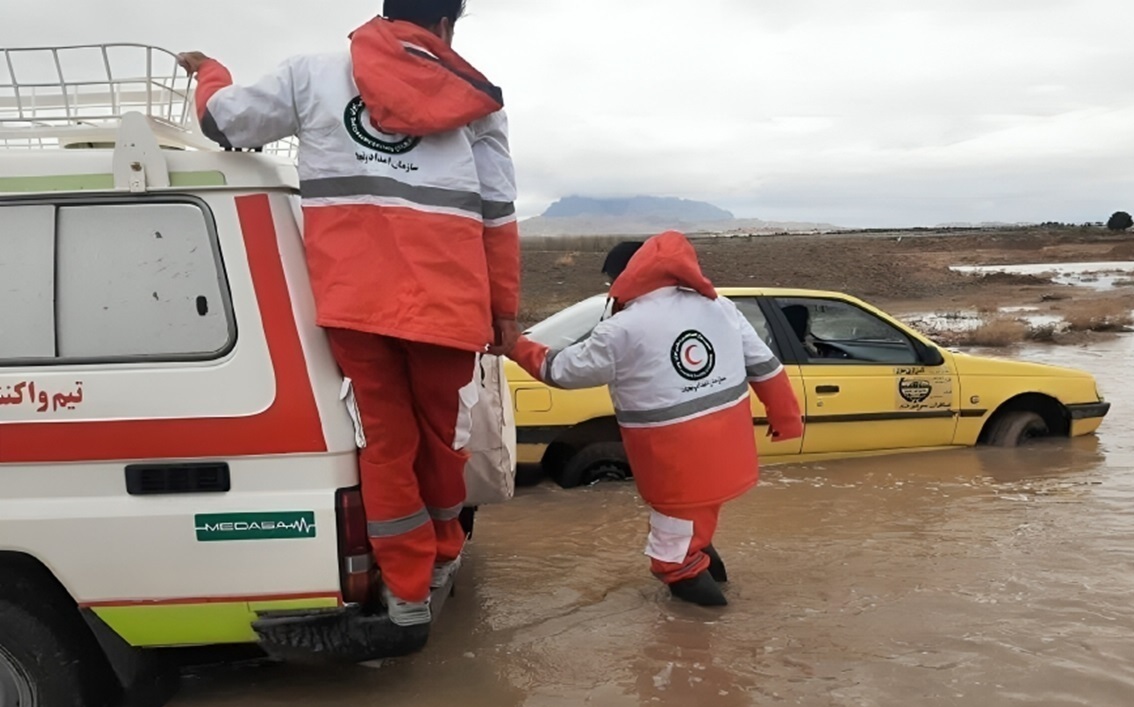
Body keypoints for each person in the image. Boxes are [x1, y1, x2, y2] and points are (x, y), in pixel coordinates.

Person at [177, 0, 522, 646]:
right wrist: (503, 309)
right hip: (448, 307)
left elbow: (225, 122)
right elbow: (498, 214)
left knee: (386, 445)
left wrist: (210, 71)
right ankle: (443, 555)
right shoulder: (477, 100)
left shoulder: (310, 76)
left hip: (355, 303)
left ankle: (407, 600)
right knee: (442, 441)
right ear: (445, 26)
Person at [509, 233, 804, 606]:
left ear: (626, 276)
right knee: (696, 535)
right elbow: (766, 366)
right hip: (728, 453)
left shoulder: (623, 327)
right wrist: (787, 418)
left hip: (675, 463)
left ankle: (711, 632)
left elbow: (564, 371)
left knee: (674, 560)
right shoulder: (720, 308)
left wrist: (514, 345)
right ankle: (728, 609)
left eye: (610, 280)